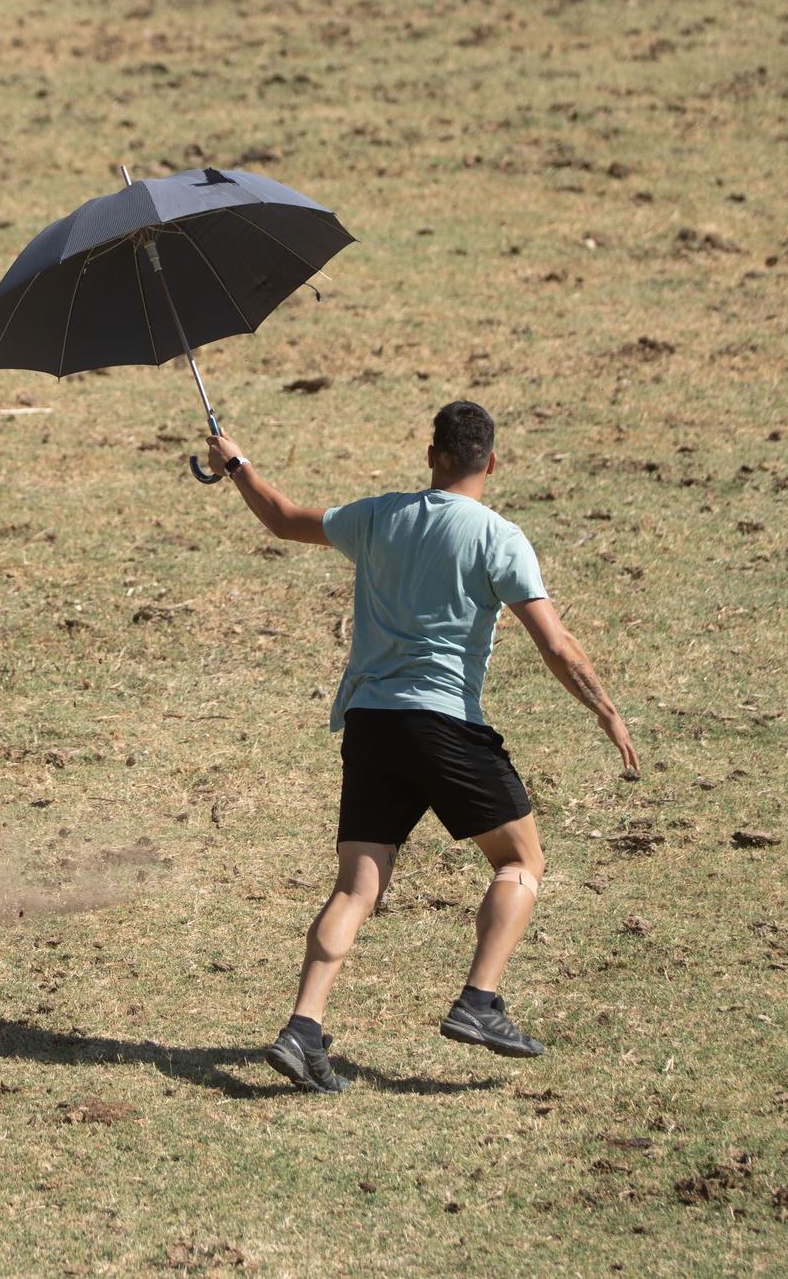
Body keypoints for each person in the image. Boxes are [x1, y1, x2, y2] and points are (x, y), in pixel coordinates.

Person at [204, 401, 639, 1094]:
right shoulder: (500, 537)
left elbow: (283, 520)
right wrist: (606, 712)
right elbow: (556, 645)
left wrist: (237, 465)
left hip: (371, 723)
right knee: (521, 861)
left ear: (431, 453)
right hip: (445, 725)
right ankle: (479, 1002)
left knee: (355, 887)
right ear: (490, 463)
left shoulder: (379, 516)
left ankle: (303, 1028)